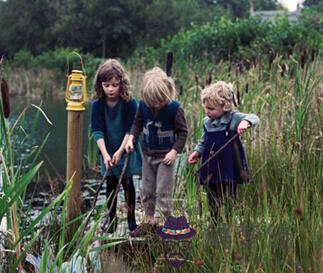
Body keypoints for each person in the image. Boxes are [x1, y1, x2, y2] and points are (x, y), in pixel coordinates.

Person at [188, 81, 259, 225]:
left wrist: (245, 123)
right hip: (211, 167)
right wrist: (197, 152)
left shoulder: (233, 118)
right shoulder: (207, 122)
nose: (207, 111)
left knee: (228, 195)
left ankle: (229, 221)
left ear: (225, 106)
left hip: (228, 167)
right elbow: (204, 140)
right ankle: (214, 221)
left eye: (211, 108)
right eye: (205, 108)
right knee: (212, 195)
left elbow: (254, 117)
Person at [125, 67, 188, 231]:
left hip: (165, 157)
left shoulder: (174, 109)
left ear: (168, 93)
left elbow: (183, 133)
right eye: (153, 102)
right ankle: (149, 218)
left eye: (161, 101)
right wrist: (131, 137)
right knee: (147, 188)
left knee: (163, 190)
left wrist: (174, 151)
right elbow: (137, 123)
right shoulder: (143, 105)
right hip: (147, 154)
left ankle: (163, 220)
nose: (157, 105)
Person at [91, 59, 142, 233]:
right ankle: (111, 221)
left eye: (115, 85)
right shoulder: (97, 105)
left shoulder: (129, 103)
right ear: (100, 85)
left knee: (128, 184)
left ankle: (131, 222)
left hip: (125, 149)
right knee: (110, 185)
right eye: (106, 85)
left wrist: (120, 151)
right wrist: (105, 154)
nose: (111, 89)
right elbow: (97, 131)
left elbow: (130, 129)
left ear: (122, 83)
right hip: (107, 148)